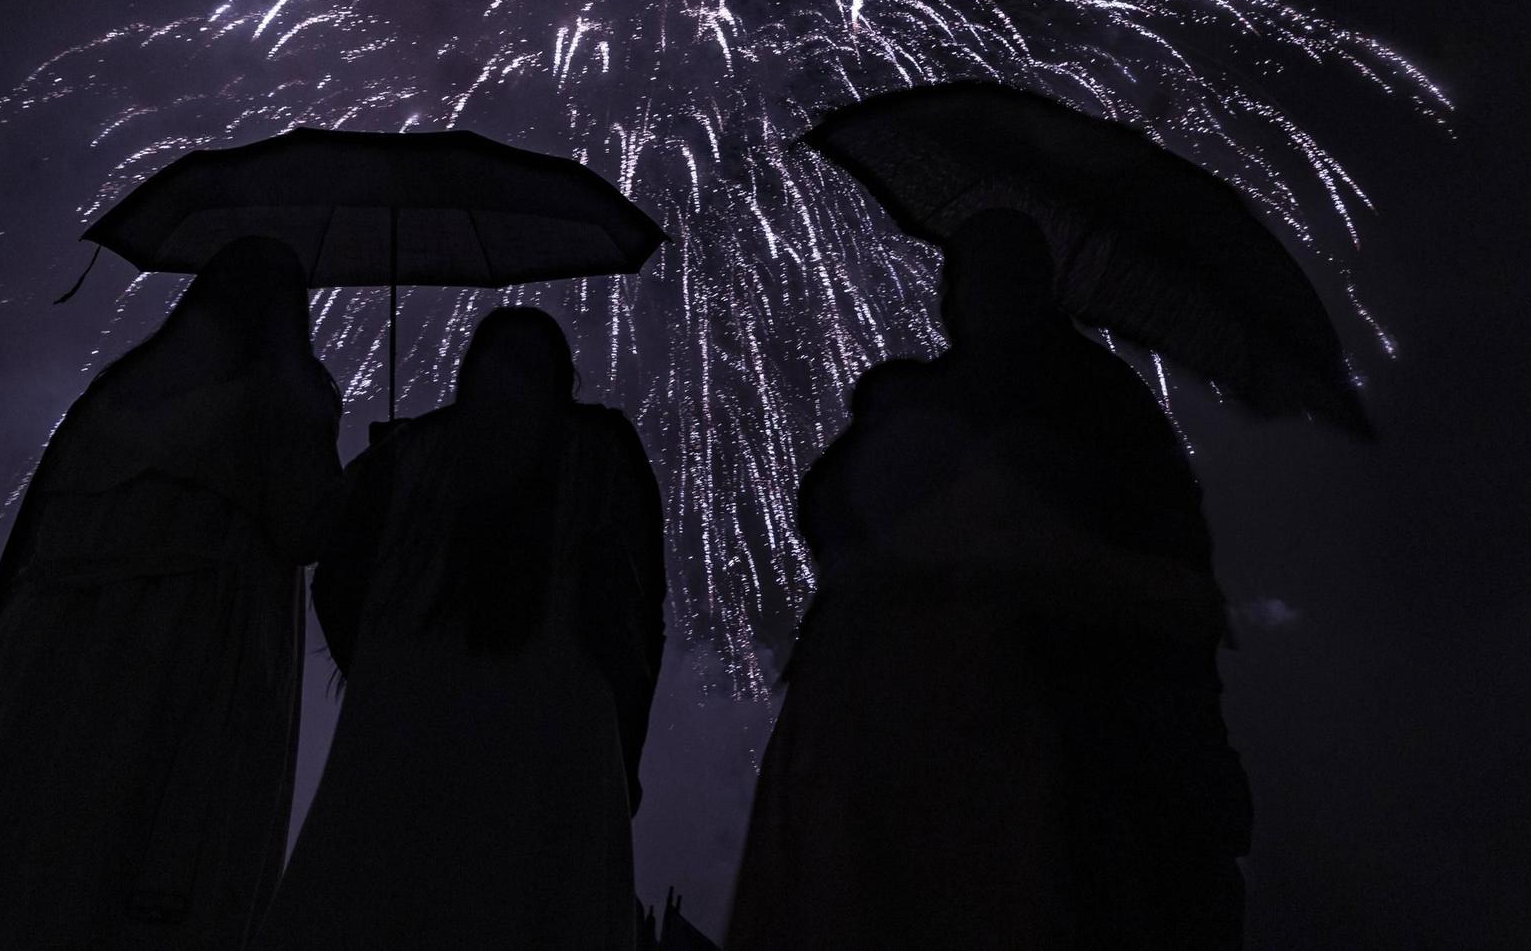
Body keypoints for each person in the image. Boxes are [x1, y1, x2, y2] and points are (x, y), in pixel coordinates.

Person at [728, 208, 1249, 950]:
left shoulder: (982, 401)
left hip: (1023, 752)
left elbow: (830, 513)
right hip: (1037, 756)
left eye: (966, 281)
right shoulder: (1103, 402)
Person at [0, 236, 343, 951]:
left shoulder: (119, 392)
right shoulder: (276, 396)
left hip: (40, 658)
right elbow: (304, 523)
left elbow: (32, 537)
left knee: (17, 840)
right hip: (188, 661)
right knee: (141, 850)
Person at [257, 307, 665, 950]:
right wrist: (624, 749)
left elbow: (330, 564)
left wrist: (374, 668)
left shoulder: (409, 454)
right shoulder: (602, 454)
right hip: (556, 729)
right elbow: (637, 616)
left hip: (405, 723)